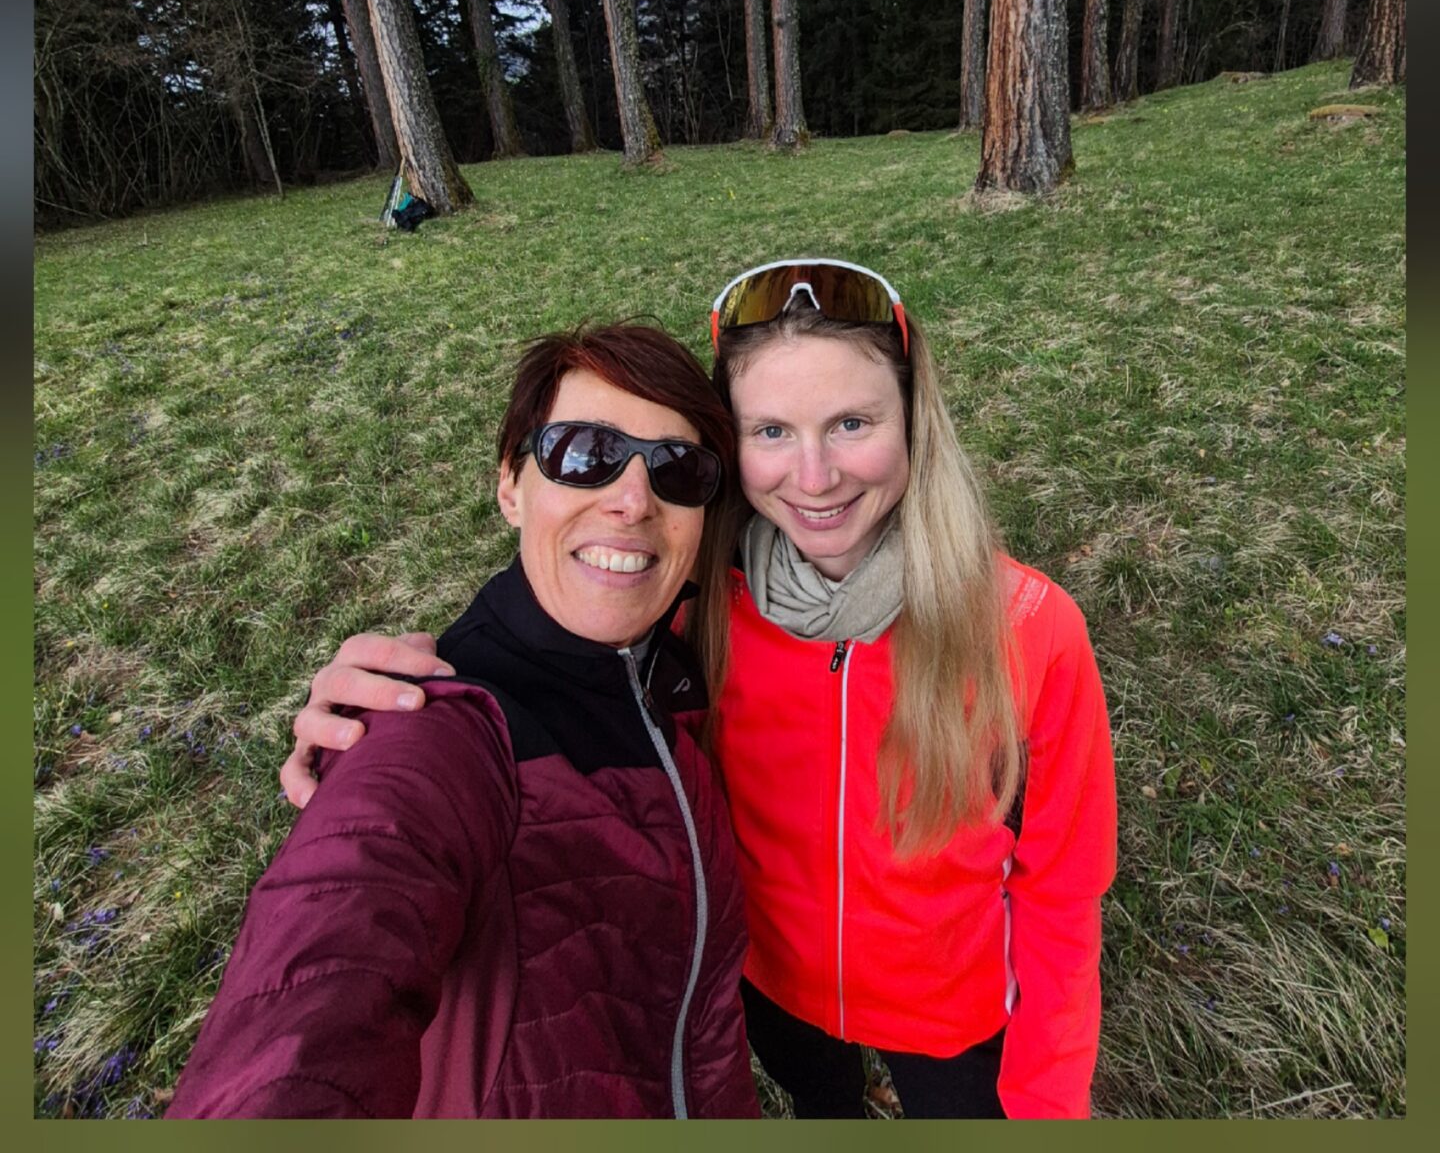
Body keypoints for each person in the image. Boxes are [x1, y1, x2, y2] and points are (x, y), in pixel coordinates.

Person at [284, 264, 1117, 1120]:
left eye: (853, 423)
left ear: (915, 426)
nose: (816, 475)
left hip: (957, 1017)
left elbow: (1063, 888)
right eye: (771, 431)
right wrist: (402, 708)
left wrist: (1048, 1099)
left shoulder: (1027, 629)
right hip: (776, 996)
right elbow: (548, 653)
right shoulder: (693, 616)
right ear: (730, 450)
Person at [166, 323, 759, 1121]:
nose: (631, 499)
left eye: (678, 470)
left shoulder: (676, 665)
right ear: (511, 486)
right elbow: (308, 1009)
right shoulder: (432, 728)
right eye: (583, 454)